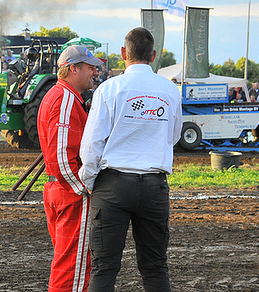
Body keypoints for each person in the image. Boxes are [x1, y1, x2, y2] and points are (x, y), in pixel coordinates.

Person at [79, 27, 183, 292]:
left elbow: (92, 144)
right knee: (156, 267)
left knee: (104, 268)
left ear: (123, 53)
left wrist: (90, 181)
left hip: (112, 184)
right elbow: (173, 136)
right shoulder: (169, 90)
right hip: (153, 186)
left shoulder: (109, 89)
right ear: (154, 56)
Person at [37, 44, 102, 292]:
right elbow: (61, 155)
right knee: (73, 269)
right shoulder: (65, 99)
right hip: (69, 192)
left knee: (68, 264)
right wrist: (82, 188)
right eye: (90, 67)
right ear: (73, 68)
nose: (94, 72)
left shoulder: (60, 95)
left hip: (58, 187)